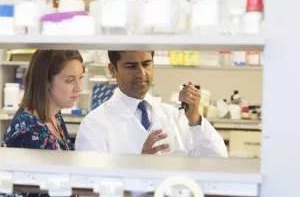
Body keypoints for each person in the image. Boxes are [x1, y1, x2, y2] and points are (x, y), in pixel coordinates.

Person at [75, 51, 228, 157]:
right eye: (131, 66)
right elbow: (91, 187)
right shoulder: (94, 124)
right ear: (112, 70)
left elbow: (217, 159)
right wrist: (140, 166)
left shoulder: (175, 116)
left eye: (146, 64)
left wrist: (195, 120)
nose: (141, 73)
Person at [1, 50, 83, 197]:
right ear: (46, 82)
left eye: (80, 78)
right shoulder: (29, 131)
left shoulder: (54, 116)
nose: (79, 88)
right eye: (70, 80)